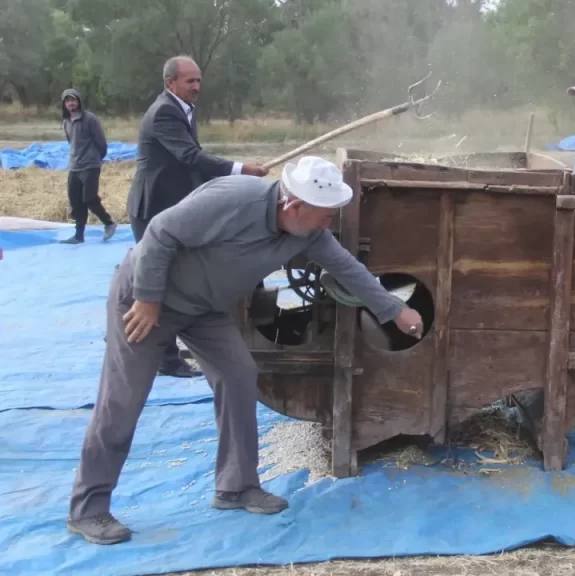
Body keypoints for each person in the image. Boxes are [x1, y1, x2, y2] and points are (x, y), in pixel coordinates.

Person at [67, 156, 425, 545]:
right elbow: (160, 232)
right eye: (324, 215)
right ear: (295, 206)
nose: (328, 224)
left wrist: (395, 310)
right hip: (145, 301)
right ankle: (89, 508)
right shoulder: (233, 199)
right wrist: (149, 297)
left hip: (204, 310)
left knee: (239, 376)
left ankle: (235, 486)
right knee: (122, 401)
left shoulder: (308, 231)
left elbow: (348, 269)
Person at [127, 55, 268, 379]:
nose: (196, 87)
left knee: (169, 280)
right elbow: (190, 156)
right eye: (190, 81)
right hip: (153, 210)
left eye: (199, 80)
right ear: (170, 83)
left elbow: (191, 162)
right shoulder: (164, 111)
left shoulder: (183, 109)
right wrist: (240, 170)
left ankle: (156, 342)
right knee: (155, 283)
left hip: (173, 208)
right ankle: (165, 359)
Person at [58, 88, 117, 245]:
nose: (71, 103)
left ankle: (109, 223)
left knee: (89, 198)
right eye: (68, 100)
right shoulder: (66, 121)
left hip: (90, 165)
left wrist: (96, 159)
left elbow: (101, 143)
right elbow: (71, 142)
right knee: (76, 201)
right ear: (64, 104)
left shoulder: (90, 119)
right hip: (74, 166)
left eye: (73, 100)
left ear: (79, 101)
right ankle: (79, 236)